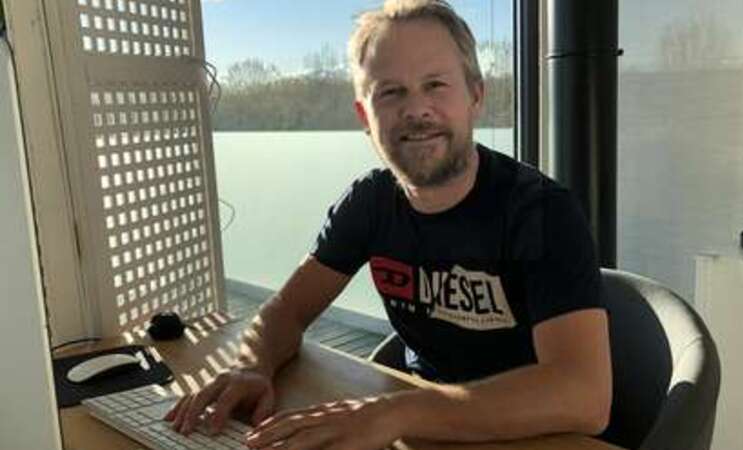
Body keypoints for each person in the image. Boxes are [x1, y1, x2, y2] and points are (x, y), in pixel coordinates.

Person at [166, 1, 612, 448]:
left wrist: (396, 412)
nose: (416, 110)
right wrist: (251, 364)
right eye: (391, 92)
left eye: (435, 85)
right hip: (422, 428)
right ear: (365, 116)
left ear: (475, 96)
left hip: (533, 433)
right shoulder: (370, 202)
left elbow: (583, 395)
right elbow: (288, 310)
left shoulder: (542, 211)